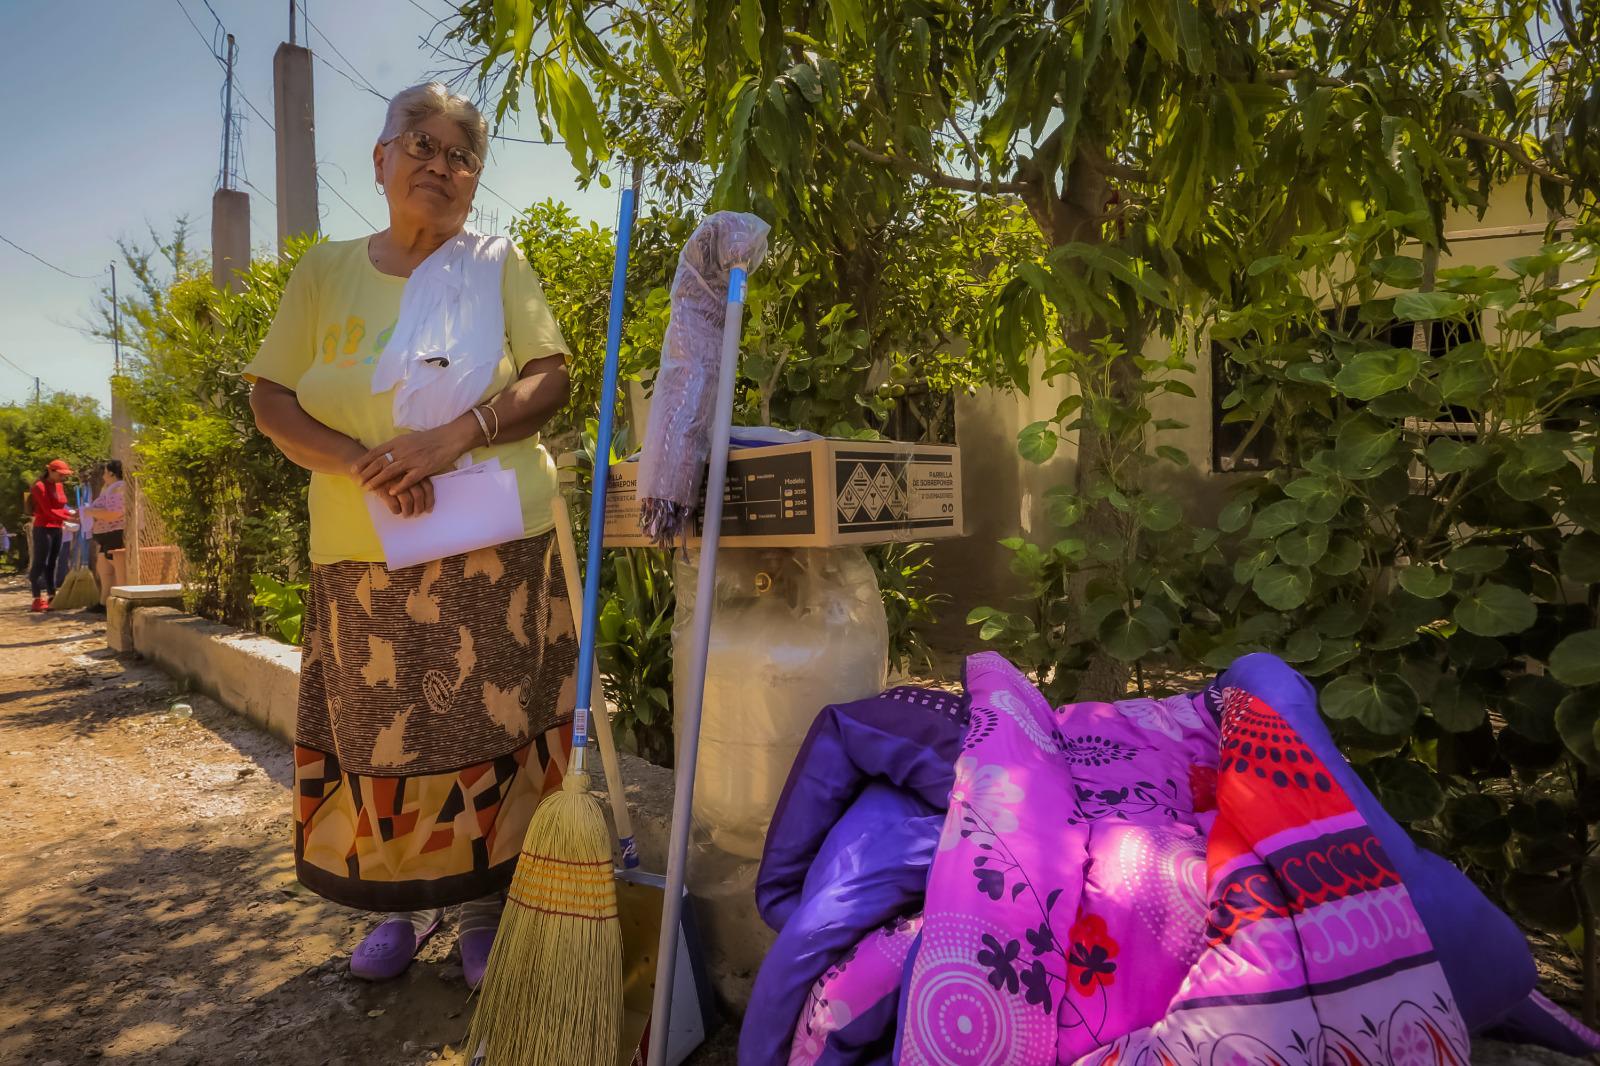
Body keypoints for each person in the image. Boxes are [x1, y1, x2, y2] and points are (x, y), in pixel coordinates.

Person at [246, 83, 577, 988]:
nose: (440, 164)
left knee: (491, 727)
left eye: (461, 154)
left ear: (475, 181)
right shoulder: (324, 271)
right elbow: (270, 396)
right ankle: (403, 902)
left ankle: (479, 906)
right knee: (386, 734)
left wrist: (455, 436)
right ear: (382, 158)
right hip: (363, 546)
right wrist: (364, 461)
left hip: (494, 540)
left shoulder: (495, 261)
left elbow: (552, 376)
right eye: (420, 144)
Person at [28, 459, 77, 612]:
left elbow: (60, 508)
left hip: (57, 527)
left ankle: (51, 596)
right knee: (39, 563)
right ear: (51, 471)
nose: (63, 478)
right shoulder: (39, 486)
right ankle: (37, 598)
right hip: (43, 528)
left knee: (52, 564)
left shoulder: (59, 486)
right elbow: (48, 510)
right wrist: (69, 518)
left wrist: (73, 514)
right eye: (61, 474)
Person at [83, 460, 127, 612]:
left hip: (115, 533)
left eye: (105, 472)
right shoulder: (109, 488)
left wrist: (91, 512)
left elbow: (114, 513)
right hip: (107, 535)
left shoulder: (119, 488)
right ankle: (104, 603)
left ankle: (121, 604)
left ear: (111, 473)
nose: (103, 476)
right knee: (104, 568)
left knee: (118, 570)